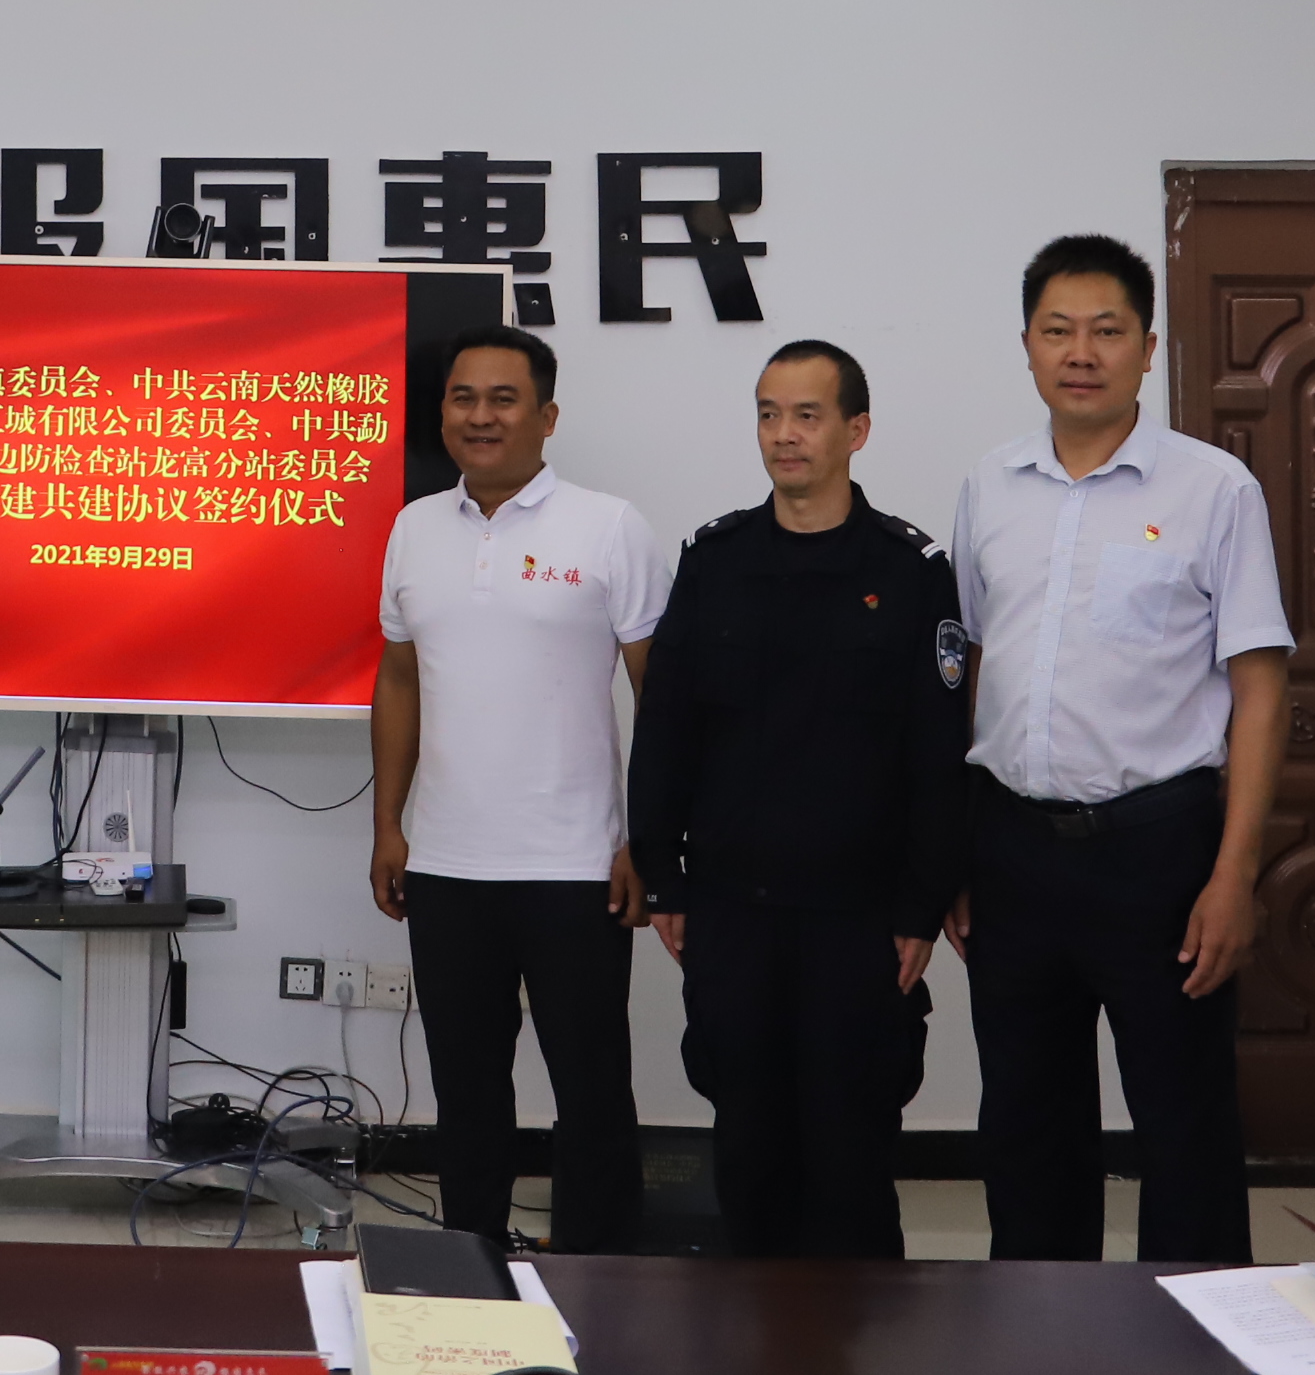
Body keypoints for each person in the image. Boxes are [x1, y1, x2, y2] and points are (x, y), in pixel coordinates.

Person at [947, 232, 1292, 1264]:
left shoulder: (1213, 489)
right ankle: (1041, 1332)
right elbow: (966, 666)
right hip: (1012, 849)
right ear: (1026, 346)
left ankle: (1191, 1339)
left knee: (1183, 1126)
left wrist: (1233, 873)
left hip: (1159, 851)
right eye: (1057, 330)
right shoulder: (989, 485)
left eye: (1106, 330)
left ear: (1147, 348)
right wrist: (952, 853)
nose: (1080, 352)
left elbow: (1259, 691)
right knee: (1025, 1125)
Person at [628, 339, 967, 1258]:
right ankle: (750, 1330)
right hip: (733, 908)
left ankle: (859, 1333)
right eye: (769, 414)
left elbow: (937, 751)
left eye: (808, 416)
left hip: (858, 916)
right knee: (747, 1146)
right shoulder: (716, 559)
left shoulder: (908, 570)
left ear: (857, 430)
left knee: (852, 1153)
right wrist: (664, 875)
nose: (785, 435)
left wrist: (922, 903)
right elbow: (667, 727)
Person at [370, 327, 670, 1253]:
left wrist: (649, 840)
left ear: (547, 416)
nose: (481, 416)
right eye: (463, 398)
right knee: (465, 1092)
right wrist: (388, 825)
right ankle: (470, 1266)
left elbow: (661, 697)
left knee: (592, 1091)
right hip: (447, 864)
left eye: (504, 399)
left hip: (577, 866)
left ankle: (601, 1276)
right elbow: (399, 679)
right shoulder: (415, 527)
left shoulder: (610, 527)